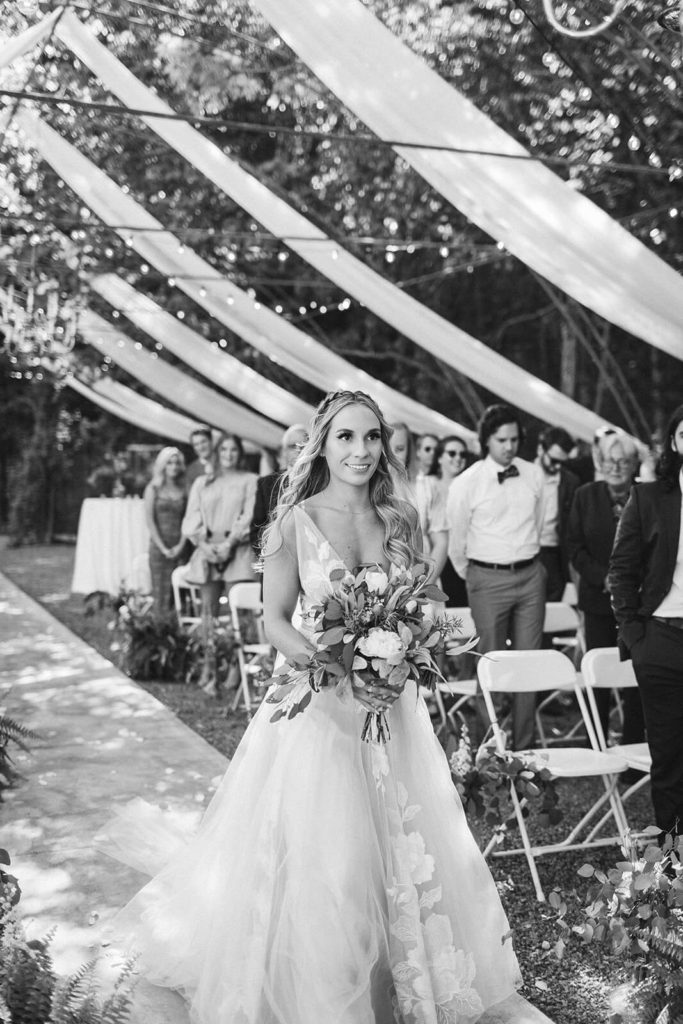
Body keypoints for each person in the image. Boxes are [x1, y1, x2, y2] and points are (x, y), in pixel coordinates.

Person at [102, 389, 522, 1023]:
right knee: (334, 858)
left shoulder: (398, 518)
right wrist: (338, 671)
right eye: (346, 437)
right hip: (318, 707)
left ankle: (397, 978)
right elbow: (274, 622)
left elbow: (420, 599)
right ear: (322, 443)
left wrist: (415, 644)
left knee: (396, 849)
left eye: (372, 437)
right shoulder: (292, 523)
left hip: (390, 710)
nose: (361, 450)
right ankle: (325, 991)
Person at [447, 404, 546, 749]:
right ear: (486, 441)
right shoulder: (467, 482)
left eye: (515, 439)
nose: (509, 446)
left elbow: (540, 519)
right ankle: (488, 750)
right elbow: (456, 542)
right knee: (489, 662)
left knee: (529, 663)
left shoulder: (534, 475)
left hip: (531, 574)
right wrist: (476, 576)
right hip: (486, 578)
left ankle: (525, 751)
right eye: (502, 439)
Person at [608, 405, 683, 838]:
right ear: (673, 443)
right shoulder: (650, 498)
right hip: (662, 641)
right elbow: (621, 569)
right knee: (670, 758)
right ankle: (672, 868)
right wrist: (636, 637)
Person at [568, 432, 645, 746]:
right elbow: (573, 546)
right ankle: (595, 742)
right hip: (597, 599)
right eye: (611, 460)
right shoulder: (585, 495)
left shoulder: (646, 496)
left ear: (633, 465)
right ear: (600, 462)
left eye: (624, 461)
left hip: (637, 601)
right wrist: (605, 578)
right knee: (598, 669)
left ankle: (632, 745)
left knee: (633, 675)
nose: (616, 467)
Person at [182, 433, 257, 691]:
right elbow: (191, 517)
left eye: (233, 450)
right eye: (223, 449)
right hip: (207, 549)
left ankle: (237, 668)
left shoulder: (250, 480)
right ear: (217, 453)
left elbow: (249, 515)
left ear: (239, 453)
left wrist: (229, 544)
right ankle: (209, 665)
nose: (228, 454)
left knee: (240, 613)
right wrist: (204, 545)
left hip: (237, 550)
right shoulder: (203, 482)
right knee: (208, 613)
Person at [389, 423, 448, 584]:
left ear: (410, 450)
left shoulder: (427, 486)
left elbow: (441, 542)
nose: (391, 455)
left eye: (399, 449)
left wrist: (426, 584)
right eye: (386, 448)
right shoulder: (364, 489)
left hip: (424, 574)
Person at [249, 423, 309, 556]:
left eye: (304, 445)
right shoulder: (266, 484)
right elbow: (256, 530)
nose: (299, 450)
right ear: (284, 452)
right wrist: (271, 557)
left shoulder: (324, 481)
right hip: (275, 560)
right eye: (293, 446)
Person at [535, 427, 579, 602]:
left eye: (563, 462)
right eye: (553, 460)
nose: (558, 466)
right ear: (540, 450)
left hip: (553, 553)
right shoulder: (518, 474)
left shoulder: (570, 481)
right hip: (521, 552)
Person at [143, 447, 188, 613]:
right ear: (162, 465)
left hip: (180, 548)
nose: (173, 466)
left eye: (177, 463)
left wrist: (181, 546)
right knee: (160, 594)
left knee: (178, 595)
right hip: (159, 548)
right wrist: (163, 548)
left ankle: (178, 635)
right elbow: (150, 520)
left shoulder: (184, 490)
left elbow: (188, 519)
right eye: (169, 462)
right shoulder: (153, 488)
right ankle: (158, 633)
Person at [433, 435, 469, 606]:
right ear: (439, 457)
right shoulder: (429, 487)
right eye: (452, 453)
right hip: (439, 560)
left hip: (469, 558)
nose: (458, 458)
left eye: (462, 454)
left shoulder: (471, 487)